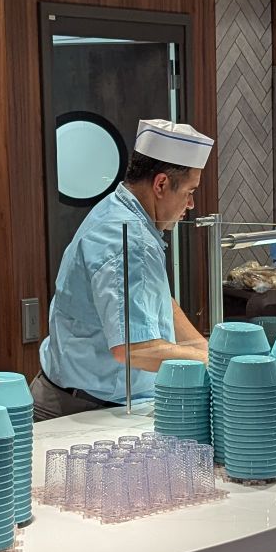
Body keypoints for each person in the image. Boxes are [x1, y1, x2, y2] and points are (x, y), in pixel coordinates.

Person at [33, 119, 211, 419]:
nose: (192, 204)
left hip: (102, 401)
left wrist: (202, 348)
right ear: (161, 185)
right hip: (79, 409)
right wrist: (213, 362)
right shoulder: (126, 239)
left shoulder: (124, 212)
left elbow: (156, 301)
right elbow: (132, 348)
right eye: (189, 191)